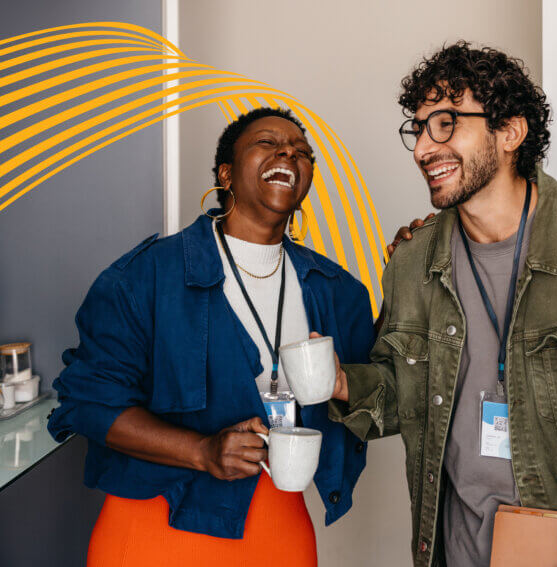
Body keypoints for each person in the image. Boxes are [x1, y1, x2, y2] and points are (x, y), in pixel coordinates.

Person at [328, 42, 557, 567]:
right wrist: (344, 384)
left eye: (446, 123)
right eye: (419, 128)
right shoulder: (411, 262)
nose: (423, 148)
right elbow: (408, 392)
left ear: (510, 133)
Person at [48, 107, 377, 566]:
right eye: (267, 143)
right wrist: (201, 451)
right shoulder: (145, 277)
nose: (288, 153)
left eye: (302, 152)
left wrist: (410, 270)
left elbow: (380, 393)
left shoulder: (338, 291)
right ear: (226, 173)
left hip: (279, 531)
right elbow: (88, 404)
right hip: (155, 532)